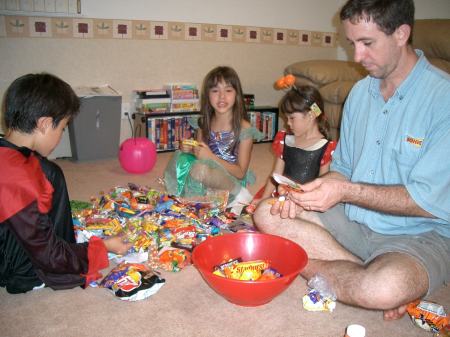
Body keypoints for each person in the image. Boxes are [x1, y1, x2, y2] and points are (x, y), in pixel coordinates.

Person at [253, 0, 450, 321]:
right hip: (355, 222)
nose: (357, 57)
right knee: (267, 212)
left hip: (420, 234)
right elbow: (342, 169)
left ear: (401, 34)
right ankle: (357, 271)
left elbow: (427, 201)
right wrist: (311, 193)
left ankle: (346, 274)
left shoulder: (443, 99)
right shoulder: (359, 93)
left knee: (383, 287)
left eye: (367, 43)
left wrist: (346, 192)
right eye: (352, 44)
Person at [0, 73, 132, 294]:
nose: (61, 134)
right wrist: (102, 248)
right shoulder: (18, 179)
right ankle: (33, 274)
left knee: (50, 171)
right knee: (48, 174)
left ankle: (66, 244)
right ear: (44, 124)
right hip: (10, 265)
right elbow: (50, 256)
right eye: (62, 128)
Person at [164, 66, 262, 209]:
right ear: (208, 95)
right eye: (215, 91)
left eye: (228, 90)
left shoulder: (244, 128)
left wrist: (211, 158)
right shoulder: (204, 123)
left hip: (230, 181)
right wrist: (190, 149)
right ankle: (200, 202)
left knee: (200, 169)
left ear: (237, 94)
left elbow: (241, 173)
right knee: (183, 158)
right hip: (208, 177)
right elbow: (200, 155)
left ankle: (240, 195)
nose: (222, 96)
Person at [250, 85, 336, 206]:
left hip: (306, 202)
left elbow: (322, 186)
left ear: (311, 115)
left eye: (292, 118)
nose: (287, 123)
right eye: (286, 118)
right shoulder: (284, 140)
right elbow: (276, 175)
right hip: (280, 196)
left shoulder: (326, 148)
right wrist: (264, 198)